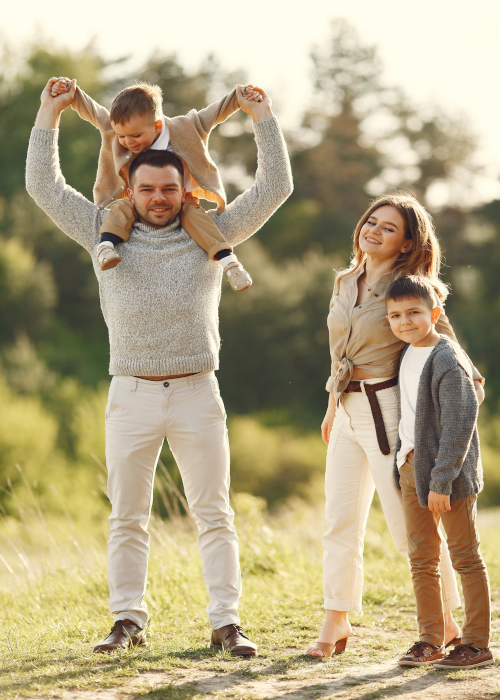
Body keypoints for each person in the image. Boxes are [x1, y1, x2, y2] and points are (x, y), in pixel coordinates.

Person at [26, 77, 293, 654]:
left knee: (214, 514)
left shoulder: (212, 232)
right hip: (132, 394)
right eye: (147, 188)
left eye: (169, 188)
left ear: (185, 188)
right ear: (129, 187)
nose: (158, 198)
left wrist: (262, 118)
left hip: (198, 392)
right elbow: (43, 185)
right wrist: (49, 112)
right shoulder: (100, 232)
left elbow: (275, 187)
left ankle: (227, 623)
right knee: (127, 517)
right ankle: (127, 620)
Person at [306, 194, 485, 658]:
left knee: (409, 529)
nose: (374, 230)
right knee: (339, 521)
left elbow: (455, 359)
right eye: (372, 220)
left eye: (389, 228)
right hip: (345, 410)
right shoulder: (345, 280)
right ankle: (336, 620)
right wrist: (332, 406)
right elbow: (339, 353)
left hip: (388, 412)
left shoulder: (410, 291)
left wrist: (448, 408)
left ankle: (445, 622)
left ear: (407, 243)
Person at [49, 76, 262, 291]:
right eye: (122, 136)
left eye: (136, 135)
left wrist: (241, 96)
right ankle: (105, 247)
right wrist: (70, 91)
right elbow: (94, 111)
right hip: (138, 198)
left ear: (158, 126)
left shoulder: (186, 127)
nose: (128, 142)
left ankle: (231, 264)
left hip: (180, 198)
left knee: (195, 216)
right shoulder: (116, 131)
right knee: (121, 209)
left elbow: (216, 112)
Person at [385, 275, 493, 669]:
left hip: (449, 475)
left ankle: (476, 645)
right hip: (411, 467)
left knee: (465, 557)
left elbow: (459, 424)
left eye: (414, 312)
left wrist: (441, 481)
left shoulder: (447, 358)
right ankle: (430, 640)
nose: (405, 321)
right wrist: (404, 466)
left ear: (434, 314)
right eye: (395, 315)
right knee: (422, 559)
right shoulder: (407, 352)